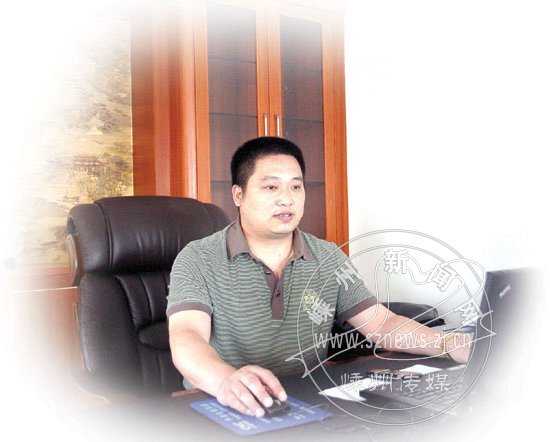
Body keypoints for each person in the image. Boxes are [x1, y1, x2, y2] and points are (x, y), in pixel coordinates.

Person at [167, 137, 470, 418]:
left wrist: (451, 343)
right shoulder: (198, 258)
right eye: (271, 187)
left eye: (296, 187)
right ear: (238, 194)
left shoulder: (327, 256)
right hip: (224, 401)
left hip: (309, 398)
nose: (287, 199)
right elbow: (186, 335)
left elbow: (381, 324)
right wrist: (225, 381)